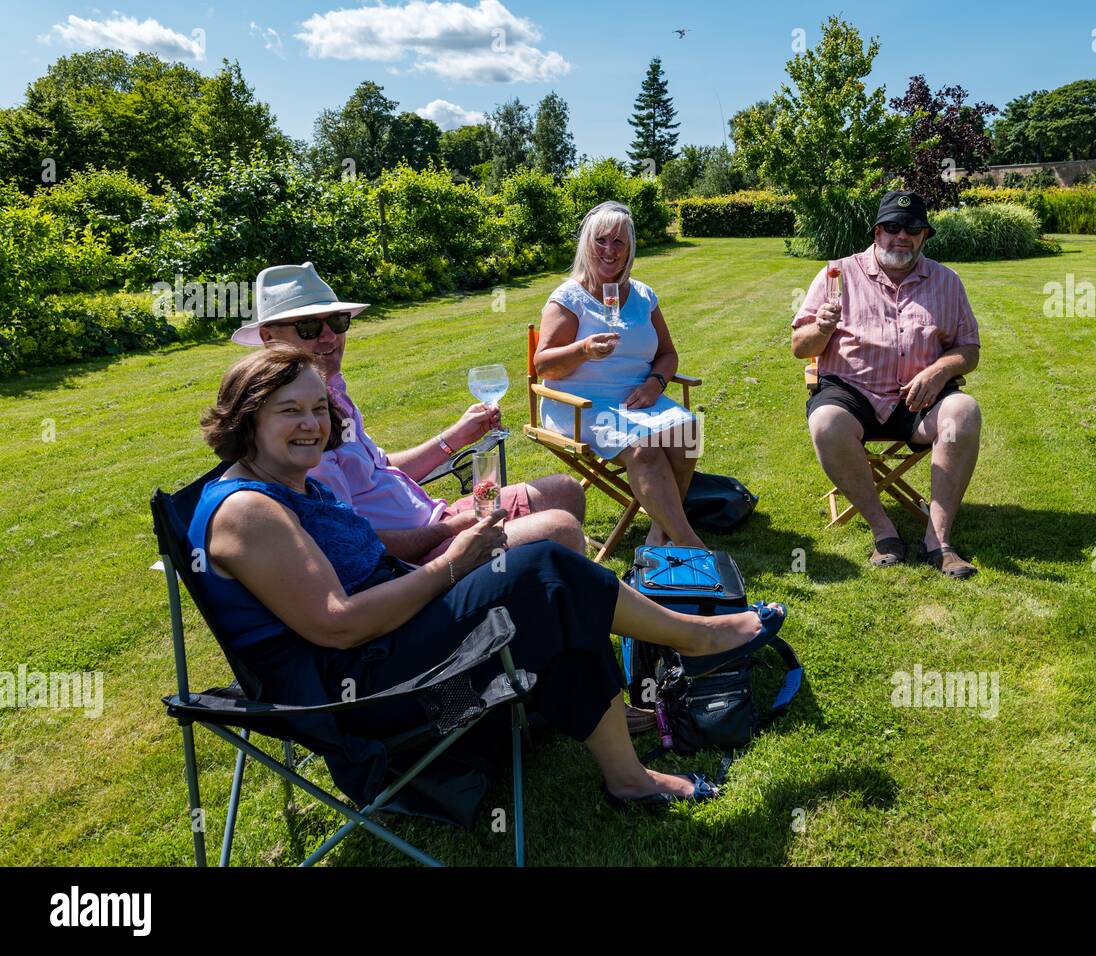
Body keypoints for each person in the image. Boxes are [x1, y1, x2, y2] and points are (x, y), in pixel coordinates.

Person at [189, 345, 788, 806]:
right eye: (289, 411)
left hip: (394, 646)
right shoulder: (246, 510)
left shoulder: (292, 481)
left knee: (548, 595)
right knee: (544, 569)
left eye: (319, 409)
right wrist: (456, 563)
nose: (312, 424)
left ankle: (629, 778)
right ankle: (698, 639)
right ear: (247, 419)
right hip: (372, 702)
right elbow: (339, 626)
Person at [232, 262, 587, 565]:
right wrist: (448, 530)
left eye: (337, 321)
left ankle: (545, 610)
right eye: (309, 327)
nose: (329, 336)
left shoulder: (332, 391)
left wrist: (453, 438)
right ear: (268, 337)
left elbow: (380, 468)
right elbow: (356, 540)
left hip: (437, 518)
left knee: (565, 490)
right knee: (559, 529)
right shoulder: (299, 430)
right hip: (415, 560)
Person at [793, 190, 983, 578]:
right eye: (892, 227)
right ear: (877, 232)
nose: (902, 236)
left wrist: (939, 371)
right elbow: (800, 346)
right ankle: (884, 531)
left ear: (925, 235)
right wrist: (822, 328)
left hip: (919, 397)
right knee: (826, 422)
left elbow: (969, 349)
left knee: (964, 411)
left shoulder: (947, 282)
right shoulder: (837, 274)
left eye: (913, 229)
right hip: (852, 392)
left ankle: (939, 539)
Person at [534, 201, 705, 549]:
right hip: (582, 405)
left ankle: (658, 535)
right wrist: (583, 350)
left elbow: (668, 354)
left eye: (618, 242)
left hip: (637, 398)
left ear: (630, 249)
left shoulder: (643, 295)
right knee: (645, 450)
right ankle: (691, 545)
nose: (609, 251)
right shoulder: (569, 298)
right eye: (601, 241)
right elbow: (544, 366)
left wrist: (655, 384)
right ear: (586, 244)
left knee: (687, 433)